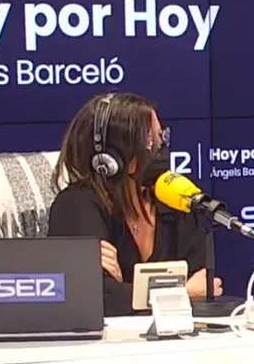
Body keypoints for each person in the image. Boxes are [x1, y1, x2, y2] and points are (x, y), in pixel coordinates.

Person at [47, 92, 222, 316]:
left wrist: (127, 293)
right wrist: (181, 293)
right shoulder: (77, 205)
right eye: (149, 141)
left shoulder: (175, 198)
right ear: (111, 158)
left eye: (161, 136)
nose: (160, 147)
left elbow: (202, 283)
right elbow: (93, 296)